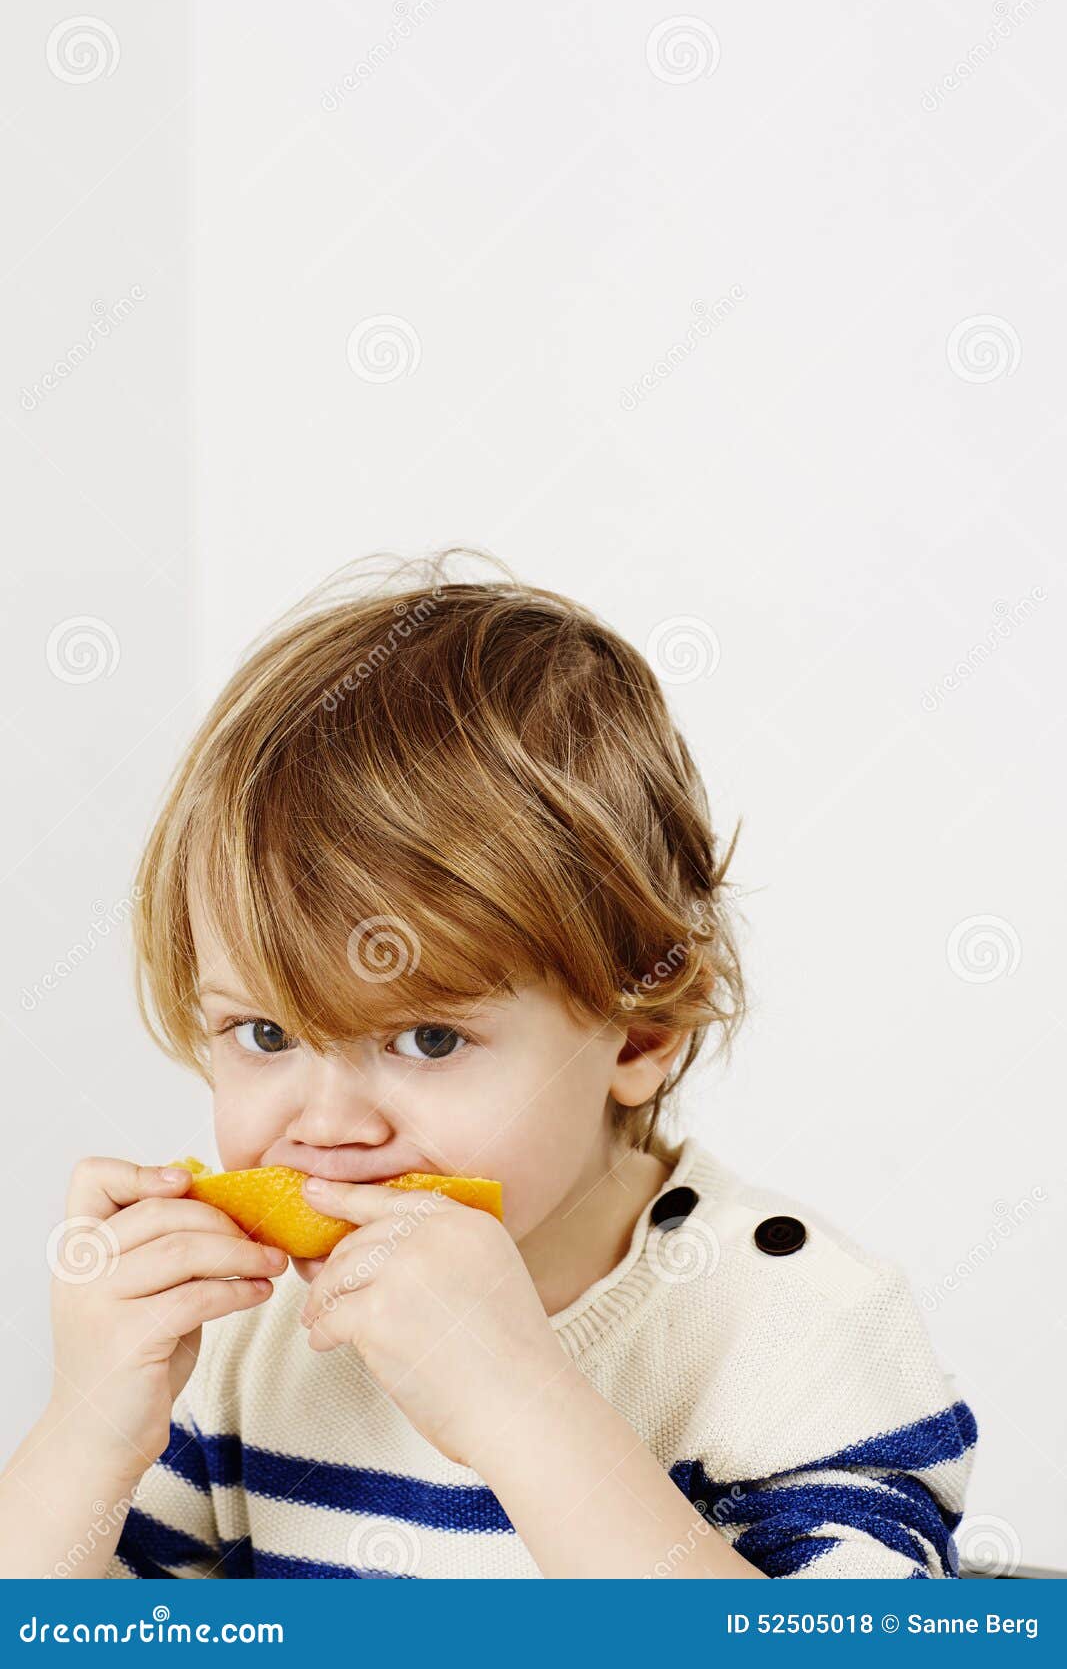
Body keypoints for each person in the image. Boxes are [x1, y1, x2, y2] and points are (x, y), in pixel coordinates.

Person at [0, 550, 977, 1578]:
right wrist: (88, 1428)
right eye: (267, 1035)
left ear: (638, 1032)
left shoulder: (797, 1326)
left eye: (426, 1039)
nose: (326, 1125)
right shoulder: (241, 1342)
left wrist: (520, 1403)